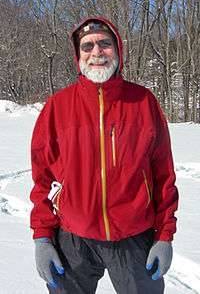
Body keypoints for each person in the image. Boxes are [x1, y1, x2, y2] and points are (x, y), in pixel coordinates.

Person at [30, 16, 179, 294]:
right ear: (78, 55)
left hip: (135, 239)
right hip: (73, 240)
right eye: (87, 46)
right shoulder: (57, 107)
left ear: (118, 50)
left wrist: (164, 236)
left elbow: (163, 174)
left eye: (104, 44)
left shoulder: (143, 102)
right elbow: (42, 178)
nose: (96, 52)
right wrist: (42, 238)